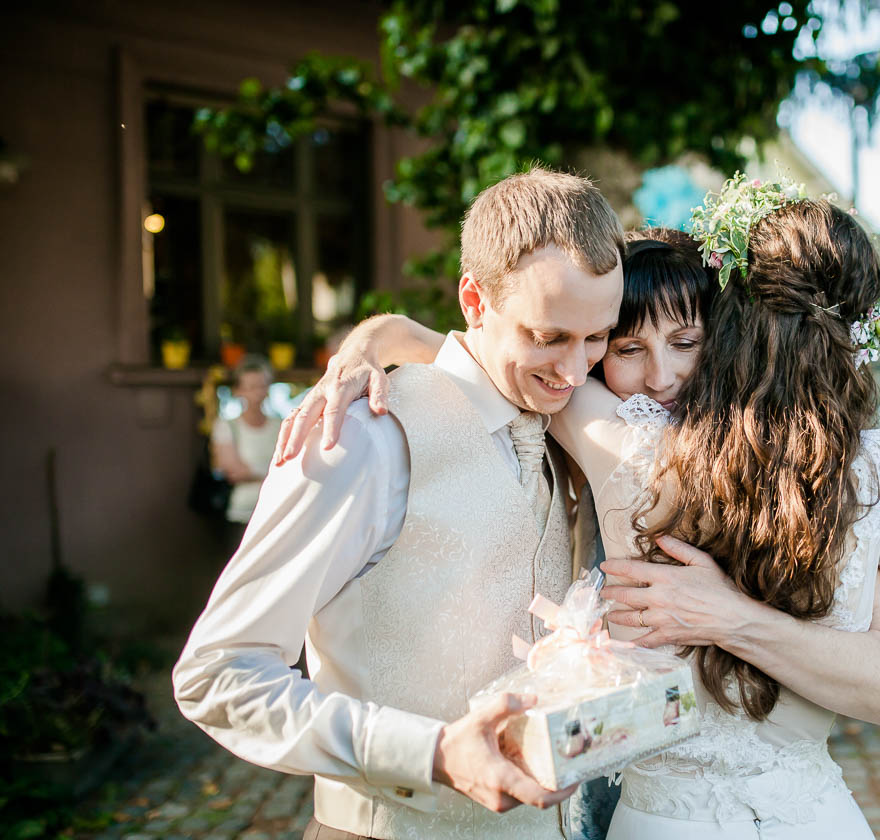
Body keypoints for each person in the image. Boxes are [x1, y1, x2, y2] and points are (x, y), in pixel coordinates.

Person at [284, 179, 880, 838]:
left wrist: (376, 339)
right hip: (817, 813)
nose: (660, 376)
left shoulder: (625, 443)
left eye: (685, 342)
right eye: (625, 347)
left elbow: (490, 357)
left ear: (725, 330)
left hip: (668, 820)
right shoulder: (873, 471)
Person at [173, 167, 630, 840]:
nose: (574, 370)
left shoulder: (558, 427)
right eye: (549, 336)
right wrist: (430, 754)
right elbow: (217, 673)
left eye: (597, 337)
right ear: (474, 300)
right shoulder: (360, 436)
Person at [211, 355, 282, 536]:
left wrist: (253, 473)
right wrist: (272, 473)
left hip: (276, 512)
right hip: (241, 514)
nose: (257, 393)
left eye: (262, 386)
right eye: (251, 387)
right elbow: (233, 471)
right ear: (238, 390)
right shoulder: (227, 425)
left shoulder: (280, 425)